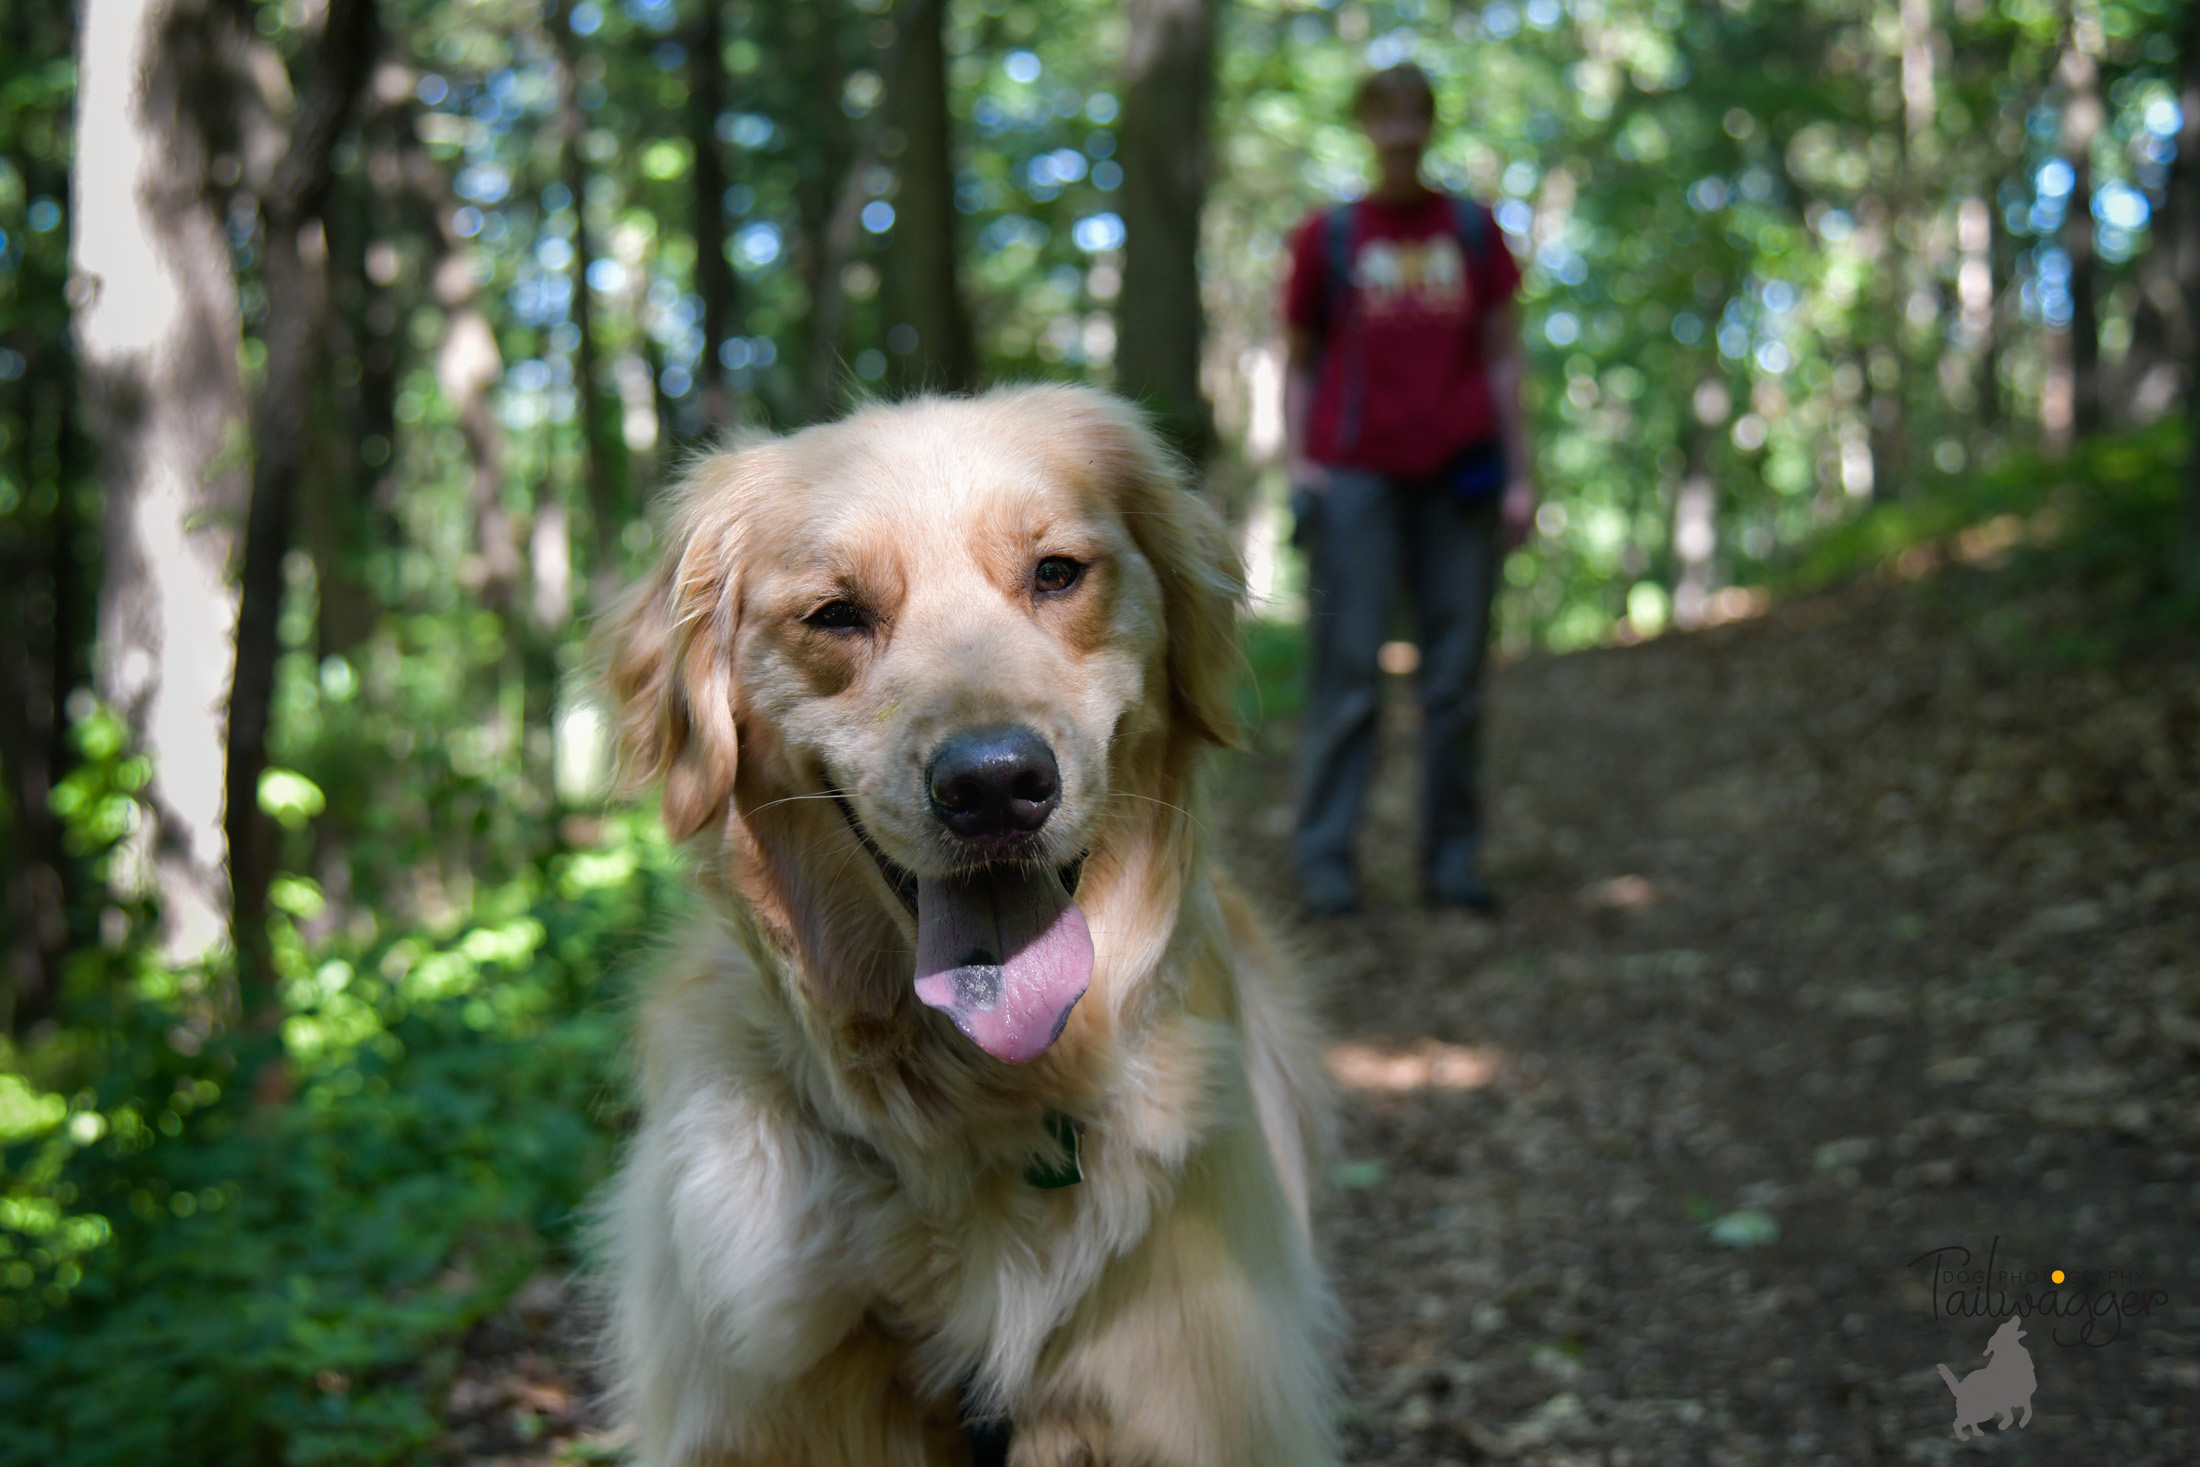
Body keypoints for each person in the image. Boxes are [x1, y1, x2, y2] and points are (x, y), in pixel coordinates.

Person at [1282, 62, 1534, 916]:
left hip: (1459, 477)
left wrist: (1521, 476)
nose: (1399, 129)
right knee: (1348, 674)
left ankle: (1453, 862)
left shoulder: (1472, 229)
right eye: (1384, 114)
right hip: (1356, 477)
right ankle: (1326, 862)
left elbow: (1503, 356)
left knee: (1454, 682)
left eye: (1414, 113)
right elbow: (1300, 363)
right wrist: (1300, 467)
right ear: (1364, 126)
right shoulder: (1334, 236)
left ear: (1430, 125)